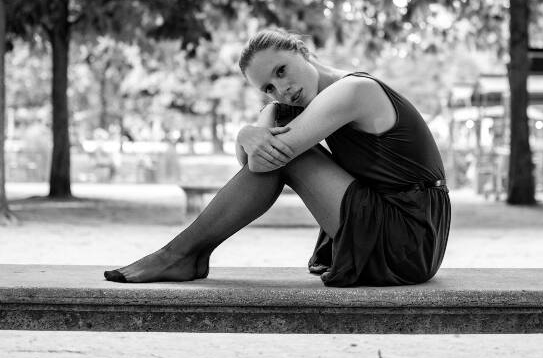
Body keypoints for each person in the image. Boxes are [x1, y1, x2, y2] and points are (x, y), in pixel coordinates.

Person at [104, 29, 451, 286]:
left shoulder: (353, 90)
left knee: (290, 156)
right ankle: (181, 255)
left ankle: (179, 255)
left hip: (408, 235)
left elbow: (263, 162)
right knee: (284, 150)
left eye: (282, 71)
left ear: (303, 51)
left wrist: (259, 124)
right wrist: (255, 126)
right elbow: (253, 165)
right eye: (268, 87)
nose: (281, 88)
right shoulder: (306, 104)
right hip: (401, 226)